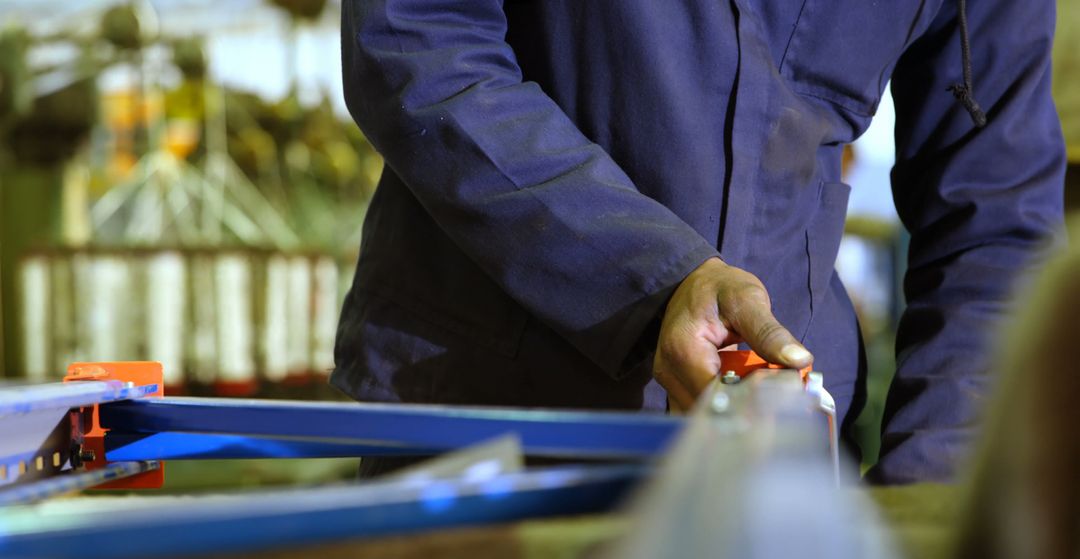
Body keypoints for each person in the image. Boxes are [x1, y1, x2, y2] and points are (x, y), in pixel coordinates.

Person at [330, 0, 1065, 483]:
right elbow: (414, 36)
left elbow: (994, 225)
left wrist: (930, 493)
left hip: (778, 473)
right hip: (490, 439)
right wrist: (652, 282)